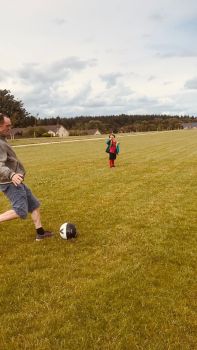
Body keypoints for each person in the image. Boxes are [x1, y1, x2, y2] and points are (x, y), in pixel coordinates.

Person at [0, 112, 53, 241]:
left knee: (34, 204)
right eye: (7, 126)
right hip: (10, 182)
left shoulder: (2, 139)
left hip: (15, 180)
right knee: (20, 210)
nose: (10, 128)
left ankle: (40, 233)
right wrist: (11, 174)